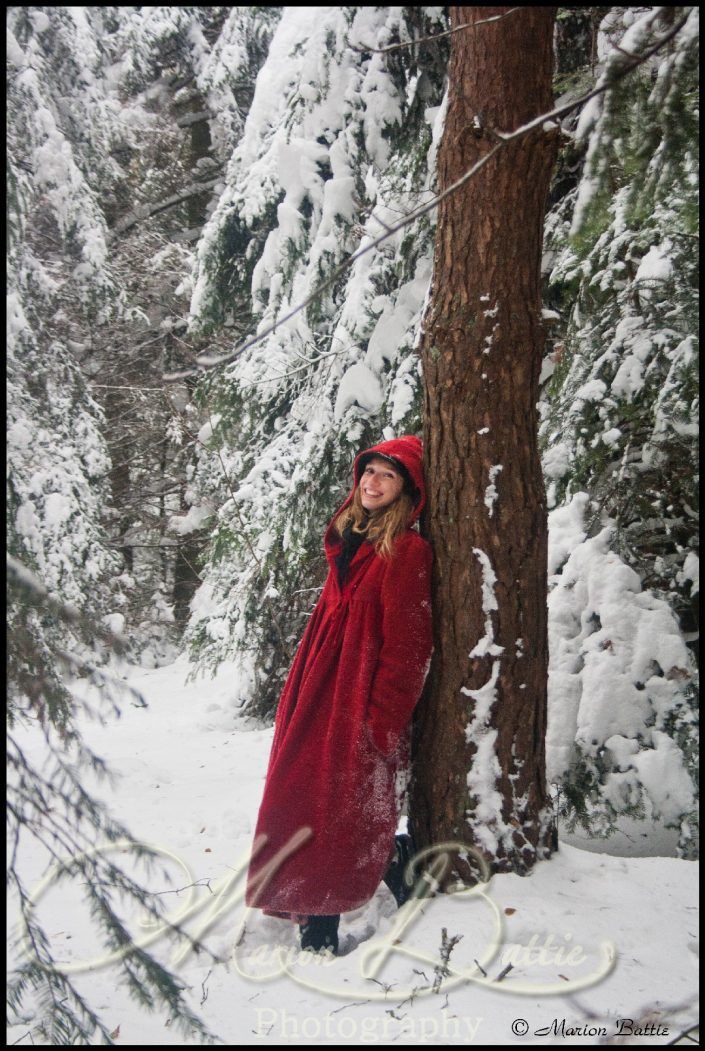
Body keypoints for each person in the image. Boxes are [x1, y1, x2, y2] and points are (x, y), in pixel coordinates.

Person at [244, 434, 433, 955]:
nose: (372, 483)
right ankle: (340, 894)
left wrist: (381, 721)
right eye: (368, 472)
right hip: (318, 695)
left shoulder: (407, 551)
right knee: (302, 802)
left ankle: (337, 909)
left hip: (357, 701)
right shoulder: (349, 536)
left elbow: (409, 648)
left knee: (342, 810)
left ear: (406, 491)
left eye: (387, 476)